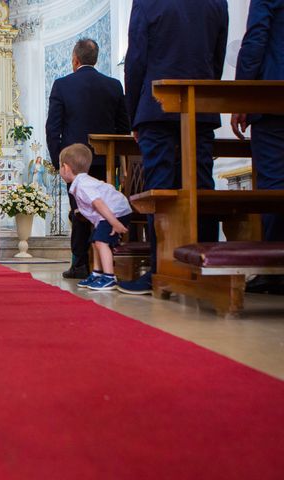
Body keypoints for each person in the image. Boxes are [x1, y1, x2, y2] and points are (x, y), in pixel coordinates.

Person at [119, 0, 228, 295]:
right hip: (202, 107)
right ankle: (208, 267)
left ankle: (162, 269)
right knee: (202, 187)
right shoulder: (217, 1)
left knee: (161, 190)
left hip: (156, 109)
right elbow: (218, 56)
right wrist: (204, 95)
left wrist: (134, 115)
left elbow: (136, 60)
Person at [46, 38, 130, 280]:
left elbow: (53, 129)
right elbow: (123, 127)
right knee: (104, 207)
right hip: (107, 160)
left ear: (75, 60)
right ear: (96, 59)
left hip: (74, 163)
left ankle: (80, 263)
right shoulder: (113, 86)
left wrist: (59, 163)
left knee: (80, 211)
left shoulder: (62, 85)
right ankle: (110, 259)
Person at [231, 0, 284, 294]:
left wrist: (242, 97)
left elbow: (256, 38)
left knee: (274, 184)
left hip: (274, 97)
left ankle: (275, 271)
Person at [59, 144, 132, 291]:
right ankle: (97, 273)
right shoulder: (81, 182)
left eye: (60, 167)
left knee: (100, 241)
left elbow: (98, 203)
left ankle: (109, 277)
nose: (59, 170)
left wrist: (114, 222)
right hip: (109, 213)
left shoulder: (83, 185)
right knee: (94, 241)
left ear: (66, 168)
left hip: (115, 212)